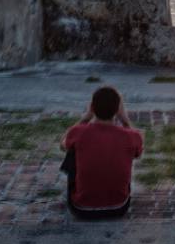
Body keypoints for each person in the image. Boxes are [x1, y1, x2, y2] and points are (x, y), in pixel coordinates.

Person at [59, 85, 143, 219]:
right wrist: (125, 120)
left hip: (81, 209)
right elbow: (138, 153)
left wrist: (85, 118)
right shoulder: (132, 136)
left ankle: (83, 191)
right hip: (118, 208)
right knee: (125, 151)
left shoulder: (78, 132)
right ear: (117, 110)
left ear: (92, 107)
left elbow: (63, 144)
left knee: (72, 151)